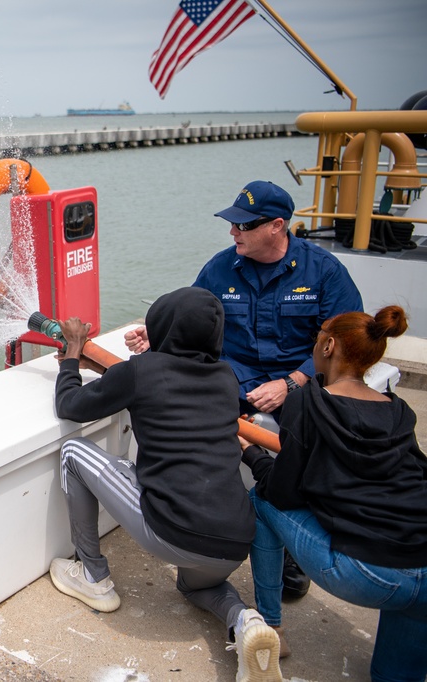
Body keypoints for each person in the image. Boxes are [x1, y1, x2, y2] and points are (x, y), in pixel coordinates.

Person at [124, 179, 363, 599]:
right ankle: (189, 514)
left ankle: (293, 551)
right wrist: (155, 338)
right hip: (229, 378)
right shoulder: (219, 268)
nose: (232, 233)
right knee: (177, 412)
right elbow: (190, 320)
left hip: (300, 382)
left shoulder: (324, 272)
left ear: (277, 226)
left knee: (310, 442)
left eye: (243, 226)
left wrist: (292, 382)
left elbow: (347, 343)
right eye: (232, 224)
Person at [51, 287, 283, 681]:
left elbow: (69, 406)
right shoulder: (226, 378)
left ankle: (93, 576)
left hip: (173, 528)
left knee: (73, 452)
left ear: (162, 325)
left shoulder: (140, 371)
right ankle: (244, 619)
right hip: (232, 541)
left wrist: (72, 352)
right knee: (194, 588)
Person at [241, 305, 427, 682]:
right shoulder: (399, 411)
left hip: (371, 574)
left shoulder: (308, 403)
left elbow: (282, 491)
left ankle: (271, 626)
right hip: (424, 564)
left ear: (328, 347)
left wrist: (249, 452)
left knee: (260, 501)